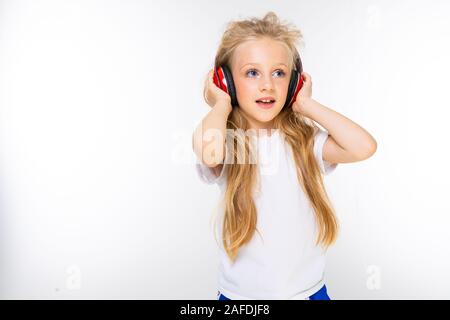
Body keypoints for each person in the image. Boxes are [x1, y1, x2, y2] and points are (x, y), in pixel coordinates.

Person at [192, 11, 377, 300]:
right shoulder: (230, 144)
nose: (268, 84)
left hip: (308, 293)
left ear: (293, 83)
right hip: (240, 299)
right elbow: (209, 151)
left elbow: (363, 146)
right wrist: (220, 103)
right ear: (226, 81)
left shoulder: (305, 142)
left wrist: (307, 105)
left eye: (279, 73)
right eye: (252, 73)